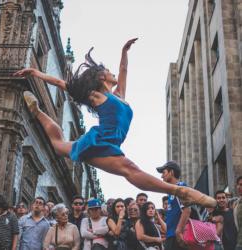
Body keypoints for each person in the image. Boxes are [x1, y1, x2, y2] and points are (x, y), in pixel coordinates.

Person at [14, 38, 216, 208]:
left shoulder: (119, 96)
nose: (114, 74)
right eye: (109, 71)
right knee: (128, 168)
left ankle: (37, 111)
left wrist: (124, 51)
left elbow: (124, 70)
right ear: (101, 77)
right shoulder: (95, 95)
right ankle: (180, 191)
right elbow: (62, 83)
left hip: (111, 143)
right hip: (100, 142)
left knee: (59, 146)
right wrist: (35, 73)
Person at [156, 161, 191, 250]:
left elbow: (187, 210)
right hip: (171, 236)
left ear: (171, 172)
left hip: (178, 237)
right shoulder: (170, 193)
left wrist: (178, 231)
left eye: (164, 172)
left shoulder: (180, 187)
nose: (161, 176)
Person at [234, 176, 242, 250]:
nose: (239, 187)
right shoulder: (236, 203)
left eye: (241, 185)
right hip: (239, 242)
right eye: (238, 184)